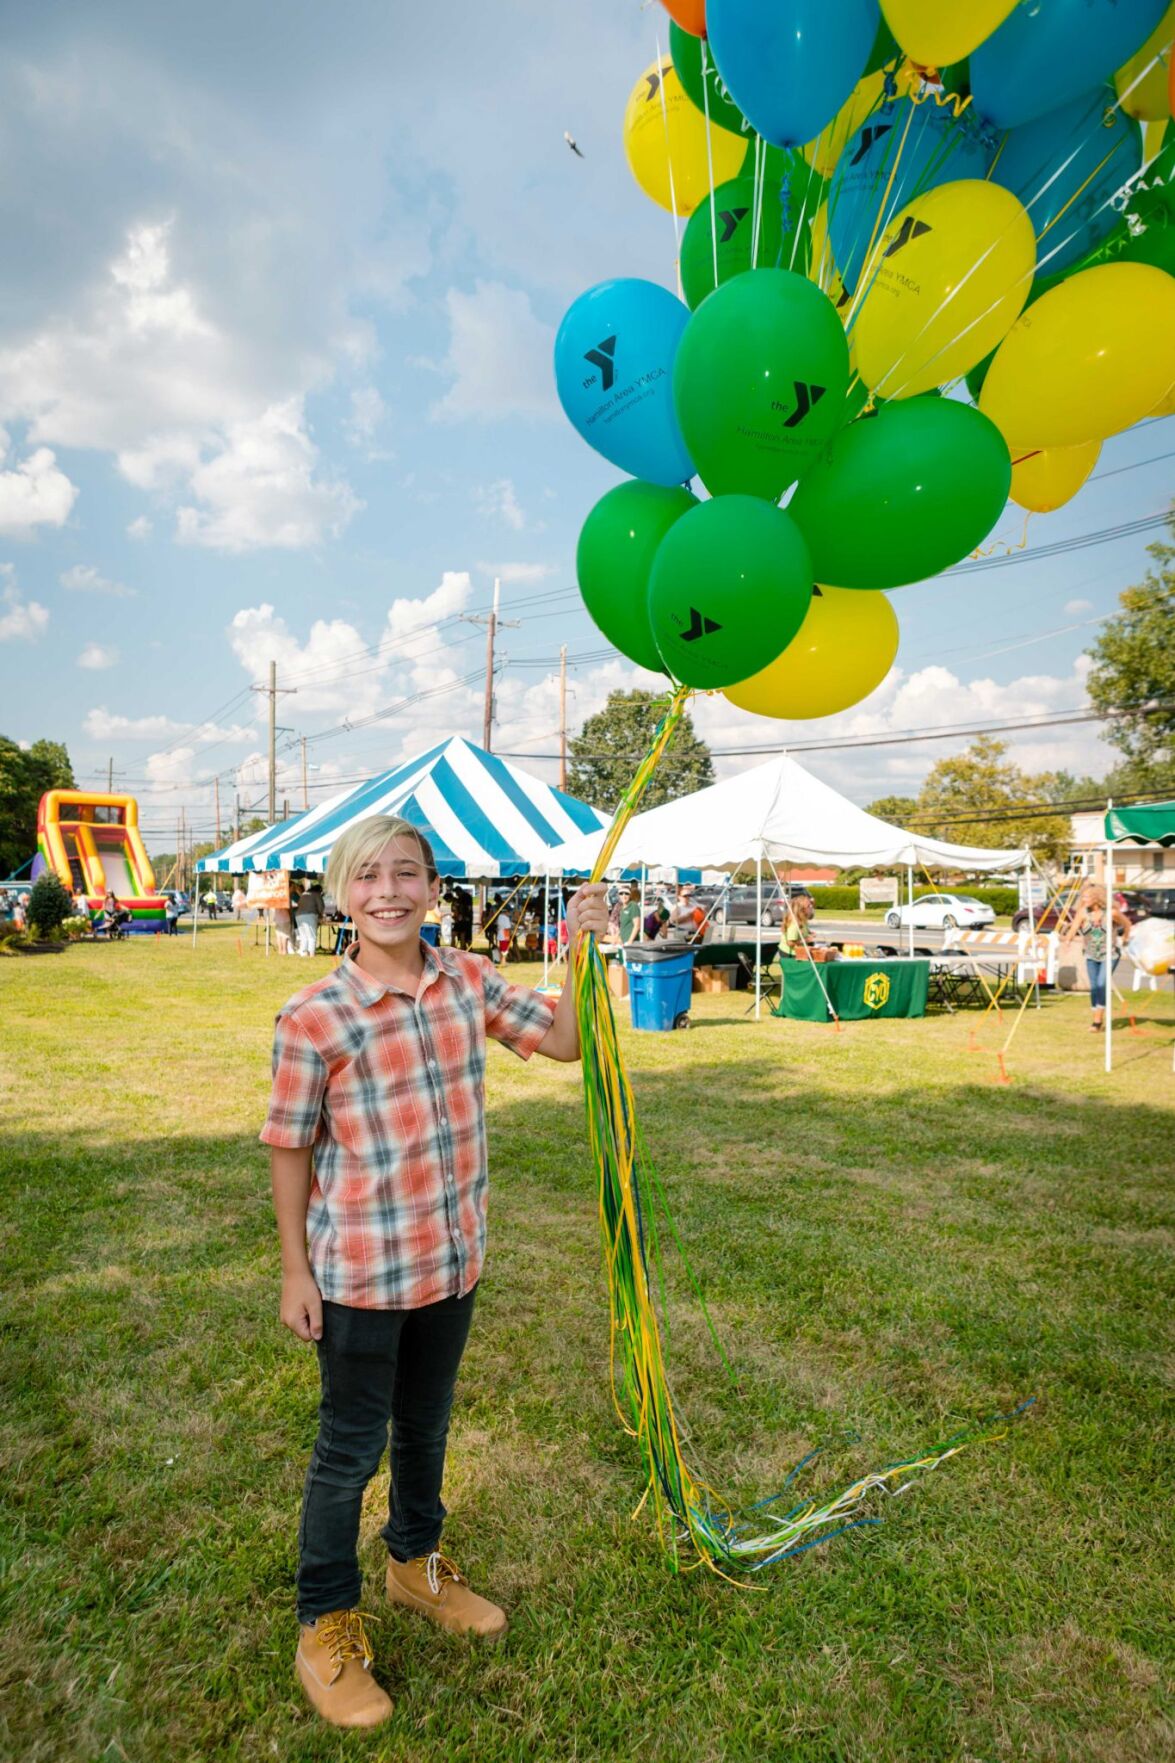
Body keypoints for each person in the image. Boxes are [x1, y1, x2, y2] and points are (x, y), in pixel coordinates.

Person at [262, 814, 607, 1729]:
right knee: (349, 1451)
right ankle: (324, 1622)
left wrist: (579, 944)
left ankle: (415, 1562)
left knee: (426, 1428)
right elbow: (289, 1147)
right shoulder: (313, 1018)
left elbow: (567, 1040)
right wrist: (296, 1269)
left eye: (406, 873)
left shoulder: (467, 981)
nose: (388, 890)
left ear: (432, 888)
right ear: (340, 894)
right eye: (368, 875)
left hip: (451, 1264)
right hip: (359, 1280)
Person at [1073, 888, 1131, 1032]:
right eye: (1083, 897)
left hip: (1110, 955)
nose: (1084, 899)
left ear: (1096, 898)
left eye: (1087, 897)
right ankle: (1096, 1020)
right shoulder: (1083, 913)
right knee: (1094, 987)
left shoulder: (1111, 913)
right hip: (1091, 955)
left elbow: (1127, 924)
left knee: (1101, 983)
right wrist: (1065, 939)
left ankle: (1097, 1021)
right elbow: (1073, 928)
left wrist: (1125, 938)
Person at [294, 881, 326, 957]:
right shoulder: (317, 894)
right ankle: (312, 953)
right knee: (312, 935)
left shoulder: (304, 894)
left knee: (303, 935)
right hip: (309, 915)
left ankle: (303, 952)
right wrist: (321, 915)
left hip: (298, 915)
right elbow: (321, 906)